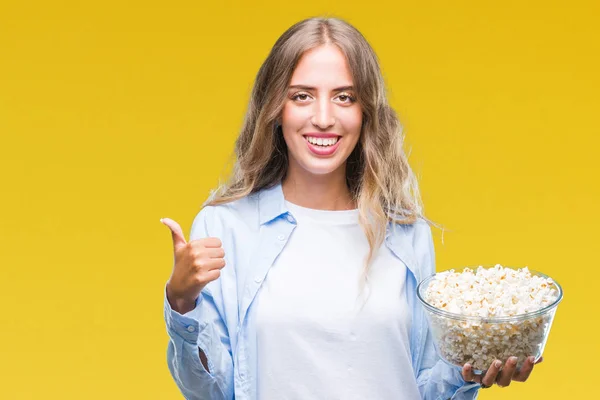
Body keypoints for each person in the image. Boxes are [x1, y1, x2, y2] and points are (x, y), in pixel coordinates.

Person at [160, 17, 540, 400]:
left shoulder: (406, 232)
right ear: (275, 107)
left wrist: (473, 368)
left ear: (366, 111)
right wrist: (181, 301)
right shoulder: (226, 227)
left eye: (344, 97)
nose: (324, 119)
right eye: (301, 96)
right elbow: (210, 391)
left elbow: (425, 385)